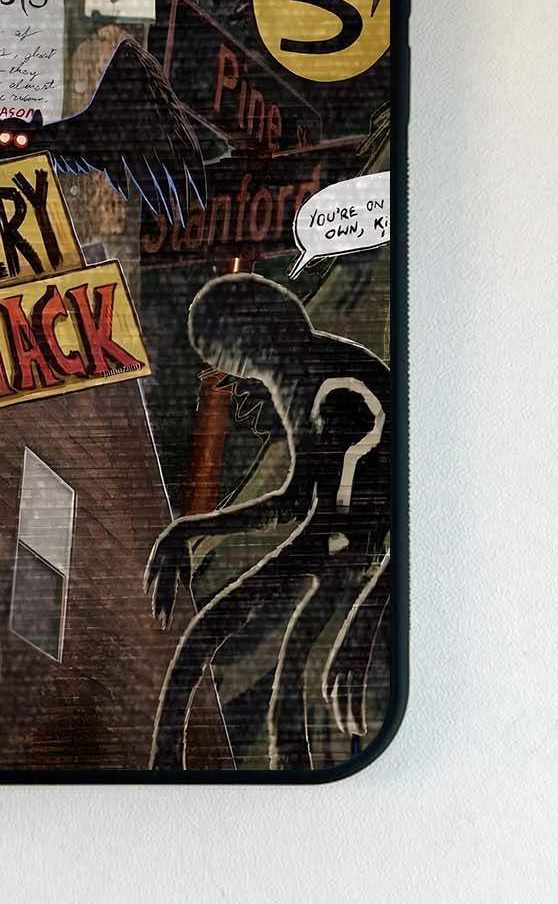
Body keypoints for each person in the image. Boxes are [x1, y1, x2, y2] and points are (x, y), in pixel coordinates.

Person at [146, 272, 392, 770]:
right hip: (334, 534)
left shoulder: (326, 380)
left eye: (240, 357)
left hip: (355, 534)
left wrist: (366, 614)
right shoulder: (295, 376)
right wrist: (187, 529)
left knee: (272, 649)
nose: (247, 374)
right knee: (212, 639)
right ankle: (168, 769)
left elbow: (381, 501)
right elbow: (294, 500)